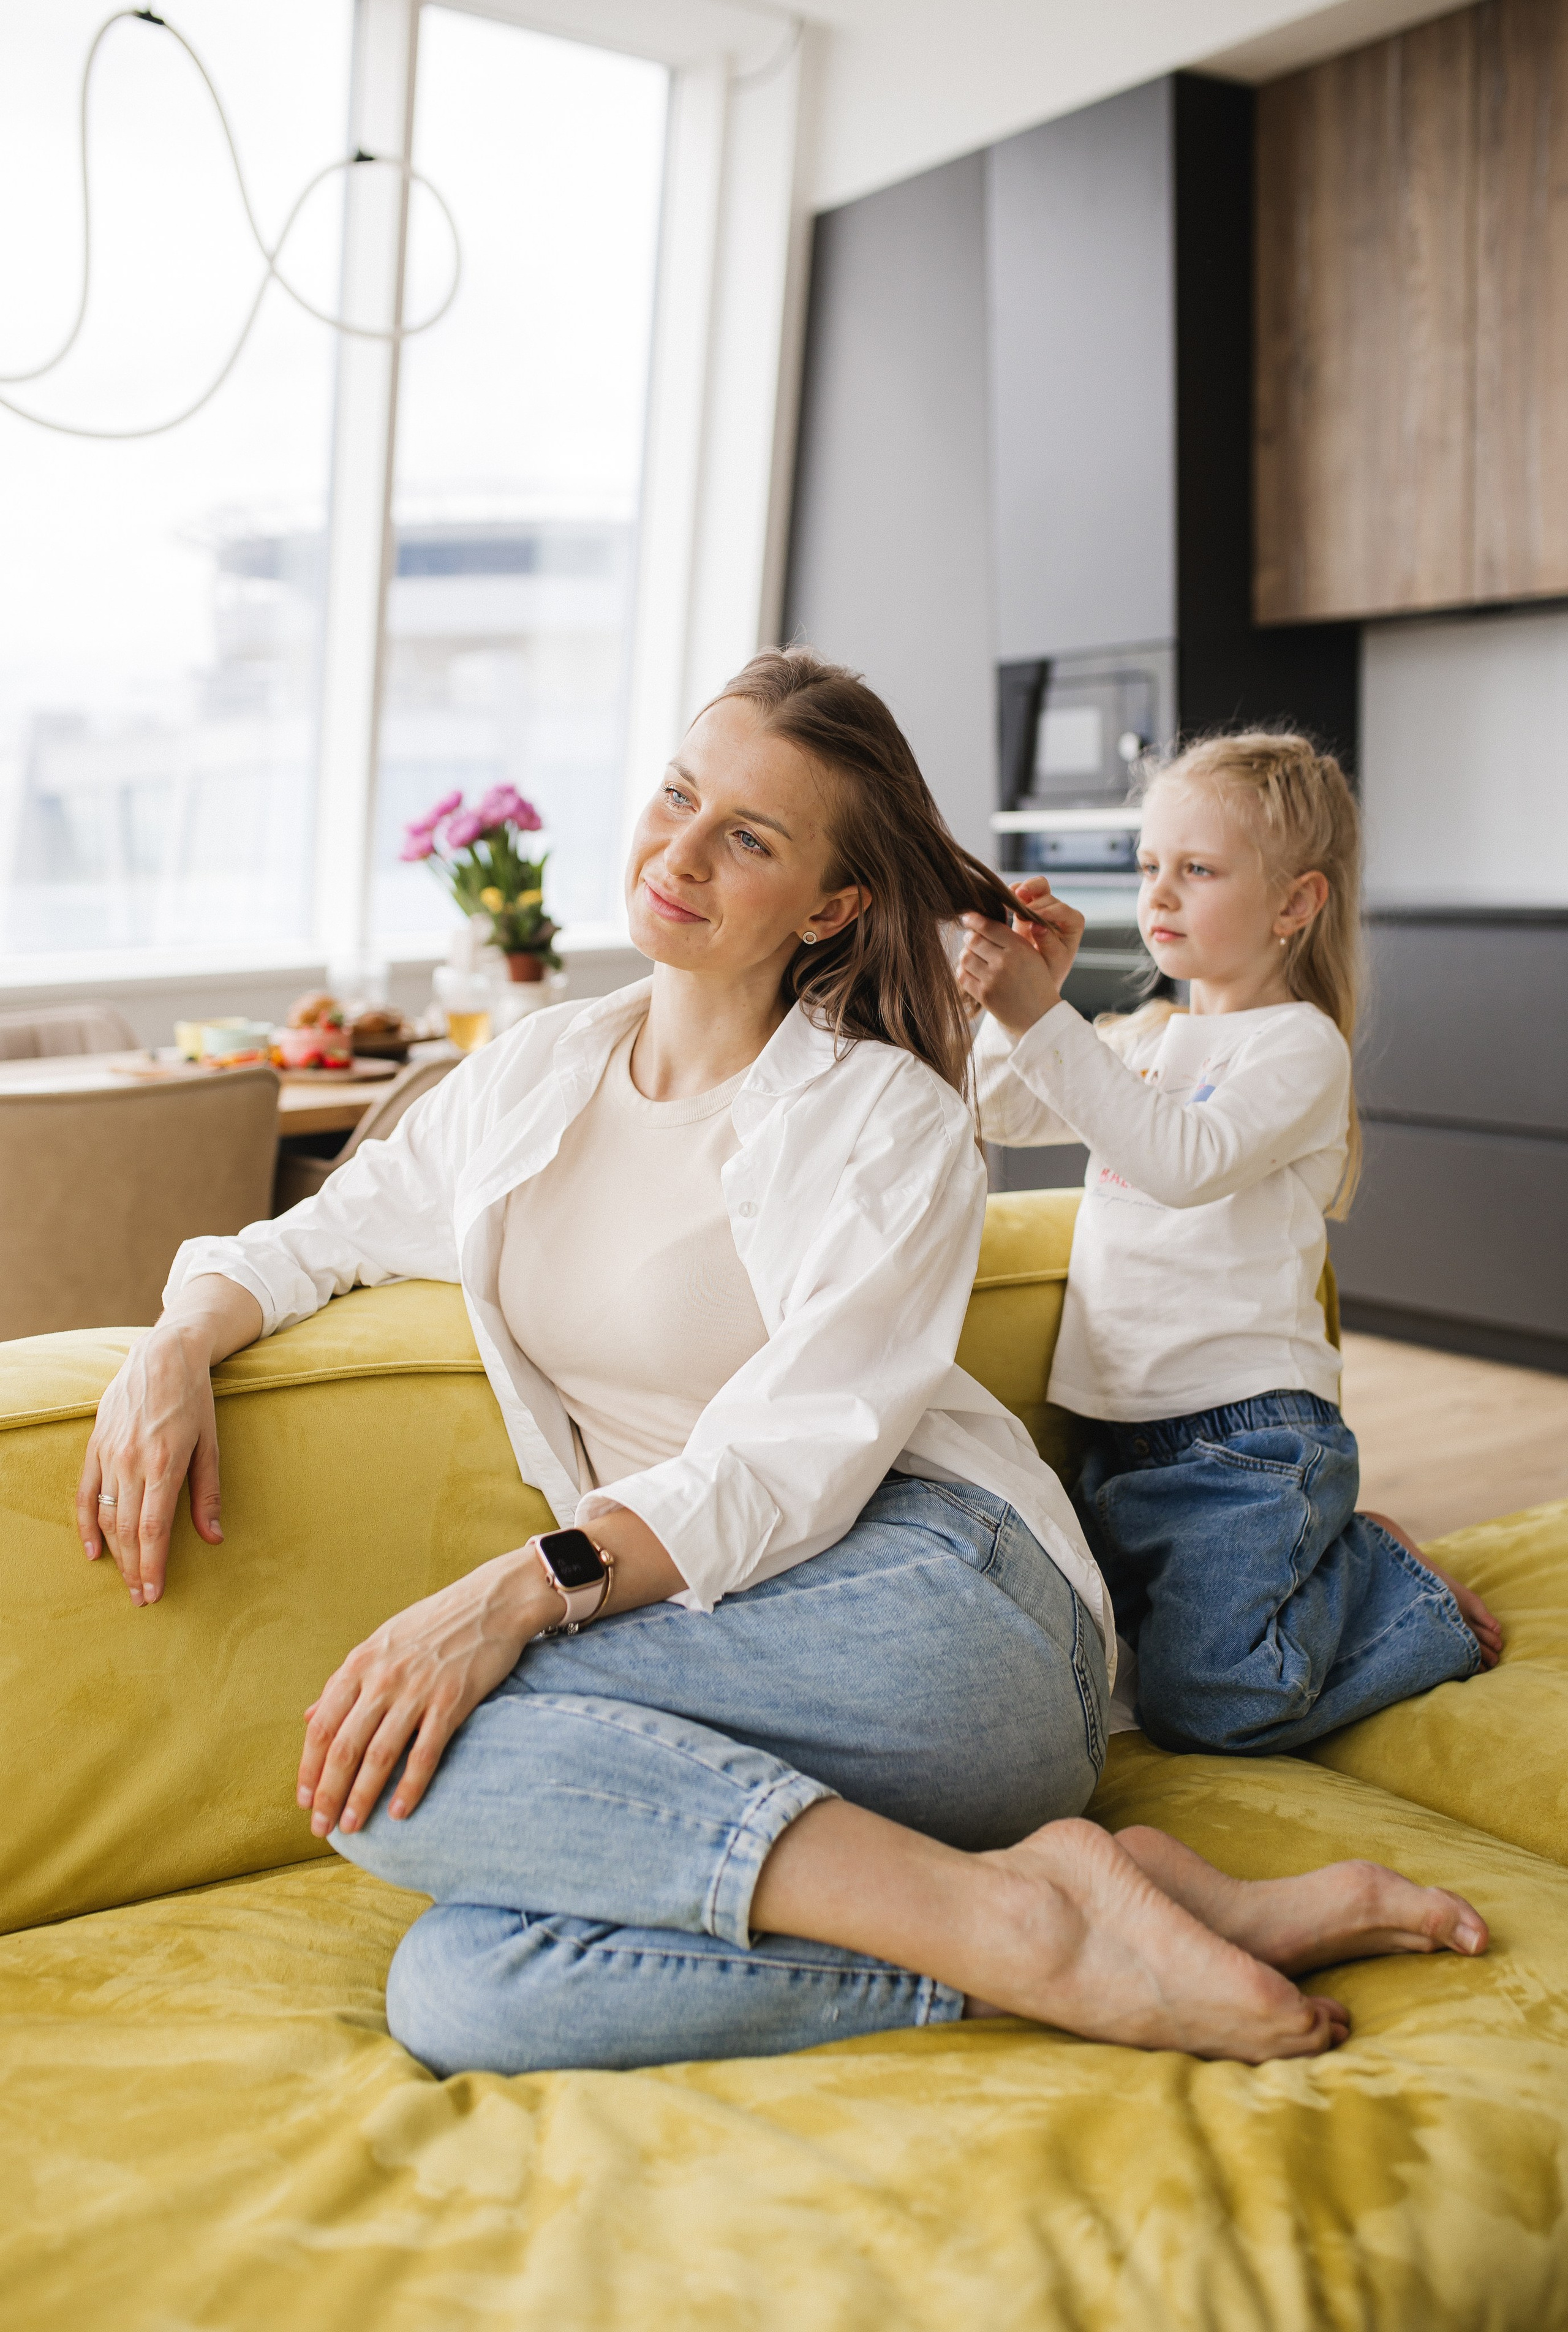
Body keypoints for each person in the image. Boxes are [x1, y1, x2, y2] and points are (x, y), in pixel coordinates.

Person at [78, 663, 1488, 2077]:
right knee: (468, 1987)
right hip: (738, 1643)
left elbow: (794, 1458)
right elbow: (311, 1237)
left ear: (831, 905)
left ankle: (1031, 1928)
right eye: (679, 796)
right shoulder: (529, 1076)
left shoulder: (884, 1112)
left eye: (748, 836)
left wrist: (515, 1589)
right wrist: (177, 1339)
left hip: (952, 1602)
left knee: (393, 1773)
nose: (679, 852)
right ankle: (1040, 1918)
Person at [959, 730, 1502, 1758]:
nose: (1159, 895)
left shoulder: (1299, 1045)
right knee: (1111, 1679)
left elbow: (1182, 1159)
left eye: (1197, 871)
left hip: (1246, 1441)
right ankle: (1321, 1561)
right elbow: (993, 1104)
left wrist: (1048, 1024)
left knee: (1215, 1709)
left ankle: (1392, 1592)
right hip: (1121, 1438)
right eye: (1148, 866)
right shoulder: (1147, 1039)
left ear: (1296, 904)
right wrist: (1018, 1000)